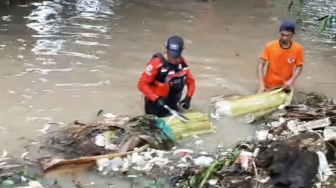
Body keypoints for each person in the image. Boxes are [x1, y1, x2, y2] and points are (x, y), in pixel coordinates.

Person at [138, 36, 196, 117]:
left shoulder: (183, 64)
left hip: (173, 101)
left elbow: (191, 82)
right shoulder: (156, 63)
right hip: (155, 103)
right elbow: (142, 84)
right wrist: (155, 99)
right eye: (171, 55)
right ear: (167, 49)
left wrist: (188, 97)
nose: (173, 59)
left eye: (176, 56)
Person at [257, 20, 304, 93]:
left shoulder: (298, 48)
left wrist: (291, 81)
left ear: (292, 35)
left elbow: (299, 66)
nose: (284, 38)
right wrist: (261, 84)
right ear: (280, 33)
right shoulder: (270, 46)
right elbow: (260, 65)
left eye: (287, 35)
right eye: (282, 34)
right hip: (269, 85)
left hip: (285, 86)